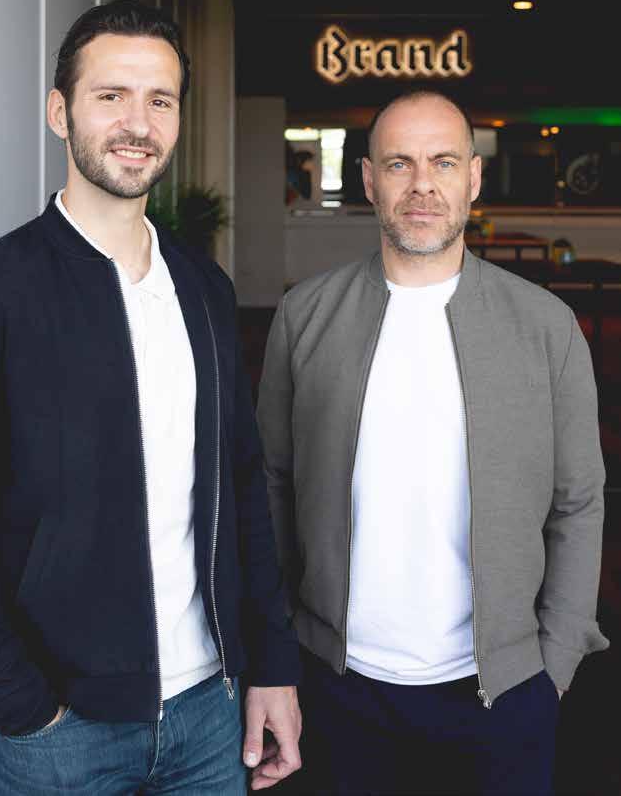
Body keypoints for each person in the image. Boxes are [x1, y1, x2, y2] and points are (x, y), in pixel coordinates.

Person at [0, 0, 301, 795]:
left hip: (210, 716)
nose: (137, 124)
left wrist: (272, 667)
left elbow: (242, 484)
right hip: (59, 732)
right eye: (111, 96)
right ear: (60, 112)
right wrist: (20, 701)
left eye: (160, 100)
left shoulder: (205, 291)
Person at [256, 89, 608, 795]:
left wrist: (555, 663)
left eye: (443, 162)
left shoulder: (545, 325)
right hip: (339, 688)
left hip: (504, 693)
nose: (422, 184)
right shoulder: (305, 315)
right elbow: (270, 489)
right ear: (368, 180)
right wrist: (276, 655)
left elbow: (578, 501)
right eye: (399, 163)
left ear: (472, 177)